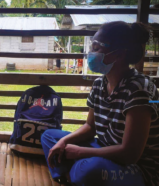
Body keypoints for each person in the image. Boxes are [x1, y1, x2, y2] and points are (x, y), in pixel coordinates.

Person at [41, 21, 159, 186]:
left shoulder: (139, 90)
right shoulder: (99, 84)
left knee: (91, 170)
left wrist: (80, 152)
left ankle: (71, 173)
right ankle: (73, 175)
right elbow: (90, 127)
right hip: (102, 147)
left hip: (136, 167)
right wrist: (65, 142)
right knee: (50, 136)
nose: (91, 53)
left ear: (119, 54)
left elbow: (130, 154)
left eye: (97, 48)